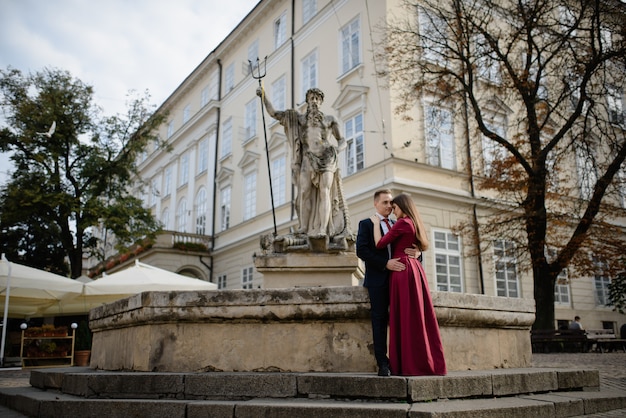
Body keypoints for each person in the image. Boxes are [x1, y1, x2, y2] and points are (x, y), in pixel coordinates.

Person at [257, 86, 349, 239]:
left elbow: (342, 140)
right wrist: (263, 96)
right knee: (304, 192)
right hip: (308, 158)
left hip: (326, 158)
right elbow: (274, 113)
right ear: (307, 101)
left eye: (317, 99)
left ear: (321, 102)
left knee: (324, 192)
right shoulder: (299, 119)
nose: (314, 101)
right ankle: (304, 227)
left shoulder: (329, 120)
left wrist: (338, 149)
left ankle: (322, 228)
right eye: (311, 98)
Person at [371, 193, 446, 376]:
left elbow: (380, 244)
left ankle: (409, 363)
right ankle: (422, 361)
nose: (392, 210)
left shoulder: (402, 222)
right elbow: (420, 244)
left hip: (402, 270)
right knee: (417, 316)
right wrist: (418, 252)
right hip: (413, 269)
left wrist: (375, 225)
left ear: (402, 207)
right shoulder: (414, 222)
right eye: (388, 205)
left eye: (395, 207)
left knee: (405, 316)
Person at [356, 189, 420, 377]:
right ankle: (383, 363)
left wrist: (418, 253)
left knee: (403, 319)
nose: (389, 206)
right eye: (385, 202)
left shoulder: (398, 223)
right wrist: (385, 263)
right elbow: (362, 251)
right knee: (379, 320)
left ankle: (404, 361)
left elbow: (412, 245)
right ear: (375, 204)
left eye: (391, 203)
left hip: (401, 279)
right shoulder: (366, 224)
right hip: (378, 280)